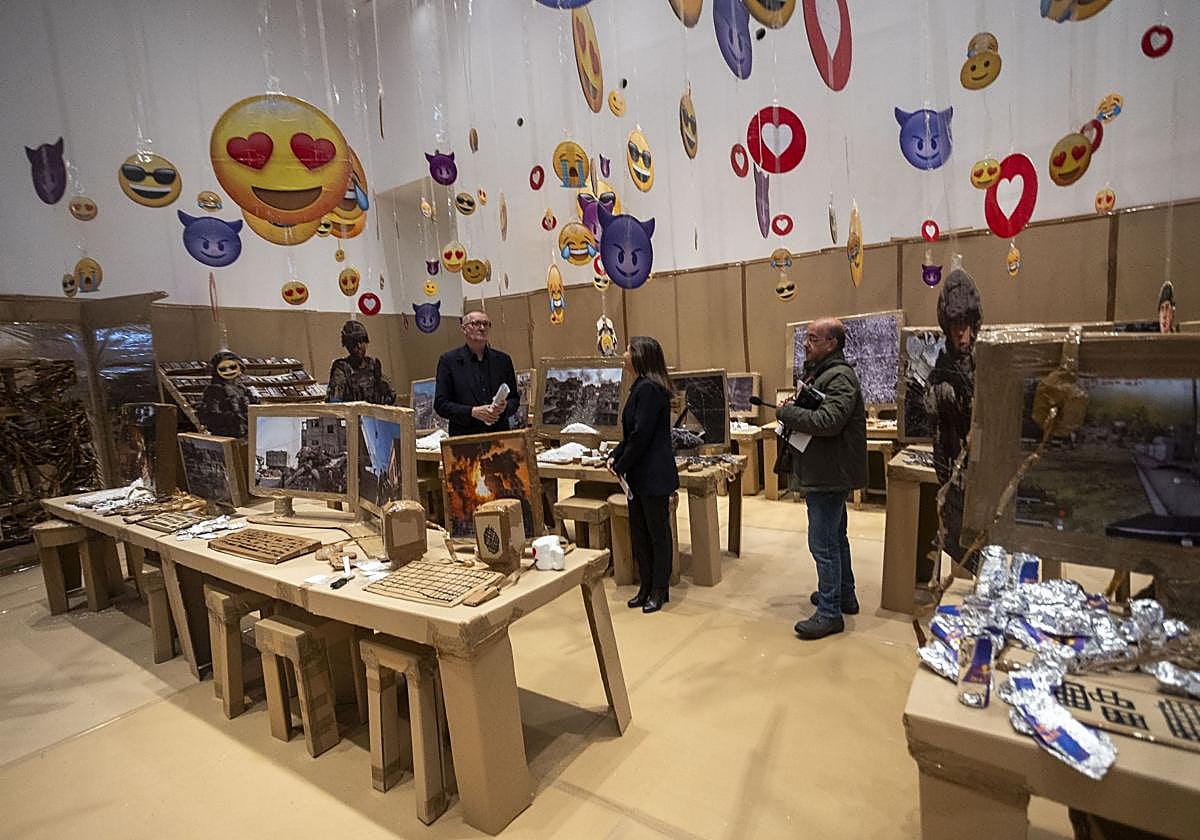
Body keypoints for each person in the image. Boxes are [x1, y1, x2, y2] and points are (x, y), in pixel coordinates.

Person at [779, 318, 867, 640]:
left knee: (823, 544)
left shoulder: (840, 377)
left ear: (832, 344)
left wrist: (787, 414)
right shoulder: (826, 374)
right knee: (836, 537)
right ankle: (844, 595)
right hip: (827, 471)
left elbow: (829, 421)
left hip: (829, 474)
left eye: (813, 338)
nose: (806, 343)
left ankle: (830, 612)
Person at [607, 337, 680, 614]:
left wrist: (622, 463)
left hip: (653, 475)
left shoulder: (649, 388)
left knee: (657, 534)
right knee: (640, 533)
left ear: (640, 356)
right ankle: (646, 586)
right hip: (639, 475)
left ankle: (659, 590)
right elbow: (631, 433)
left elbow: (641, 436)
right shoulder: (640, 387)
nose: (623, 354)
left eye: (628, 349)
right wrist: (615, 455)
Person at [924, 268, 983, 573]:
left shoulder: (985, 362)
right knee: (959, 540)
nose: (963, 333)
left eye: (967, 325)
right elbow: (931, 409)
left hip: (984, 470)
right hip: (952, 470)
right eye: (956, 326)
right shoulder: (941, 370)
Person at [434, 310, 519, 436]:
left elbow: (514, 400)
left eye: (486, 324)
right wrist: (472, 412)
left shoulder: (503, 360)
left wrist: (504, 407)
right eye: (476, 323)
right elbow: (441, 404)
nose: (482, 328)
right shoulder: (449, 361)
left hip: (499, 437)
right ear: (464, 329)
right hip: (465, 438)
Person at [327, 320, 395, 404]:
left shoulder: (372, 365)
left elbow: (391, 397)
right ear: (347, 345)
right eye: (354, 343)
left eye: (361, 341)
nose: (359, 346)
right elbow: (334, 403)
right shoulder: (342, 368)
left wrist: (380, 382)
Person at [197, 350, 259, 439]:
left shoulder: (242, 389)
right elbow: (212, 416)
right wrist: (236, 417)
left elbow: (254, 406)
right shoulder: (214, 390)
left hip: (246, 434)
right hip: (227, 436)